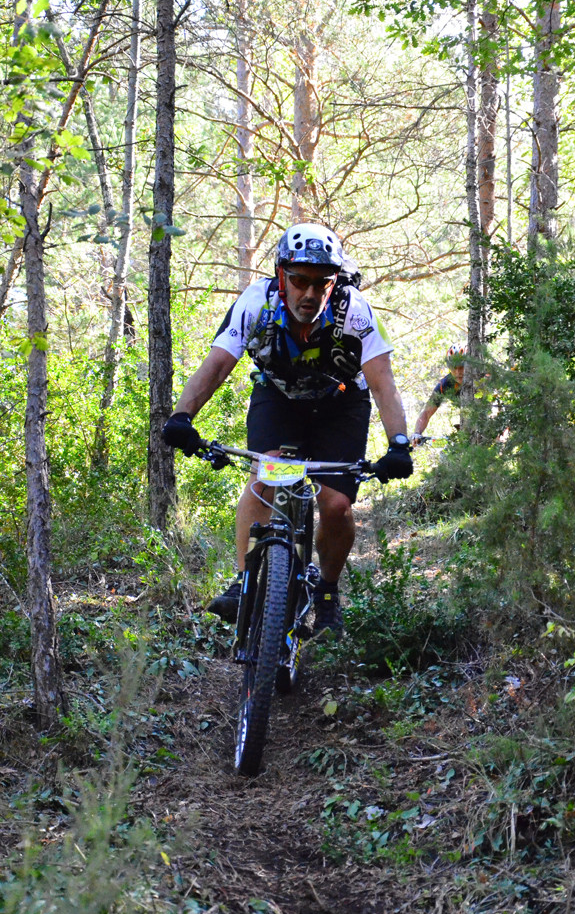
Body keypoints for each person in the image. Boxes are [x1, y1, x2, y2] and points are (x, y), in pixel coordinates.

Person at [162, 222, 413, 636]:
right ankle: (244, 583)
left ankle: (328, 593)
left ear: (334, 282)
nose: (310, 294)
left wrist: (398, 443)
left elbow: (383, 381)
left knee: (336, 506)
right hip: (278, 398)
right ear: (282, 276)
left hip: (341, 403)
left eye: (321, 283)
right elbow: (219, 363)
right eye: (299, 281)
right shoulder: (256, 302)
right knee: (267, 476)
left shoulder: (353, 309)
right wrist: (182, 416)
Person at [411, 345, 465, 444]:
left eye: (461, 367)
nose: (458, 372)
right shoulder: (445, 385)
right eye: (454, 367)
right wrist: (417, 433)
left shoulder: (482, 379)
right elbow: (426, 413)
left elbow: (494, 406)